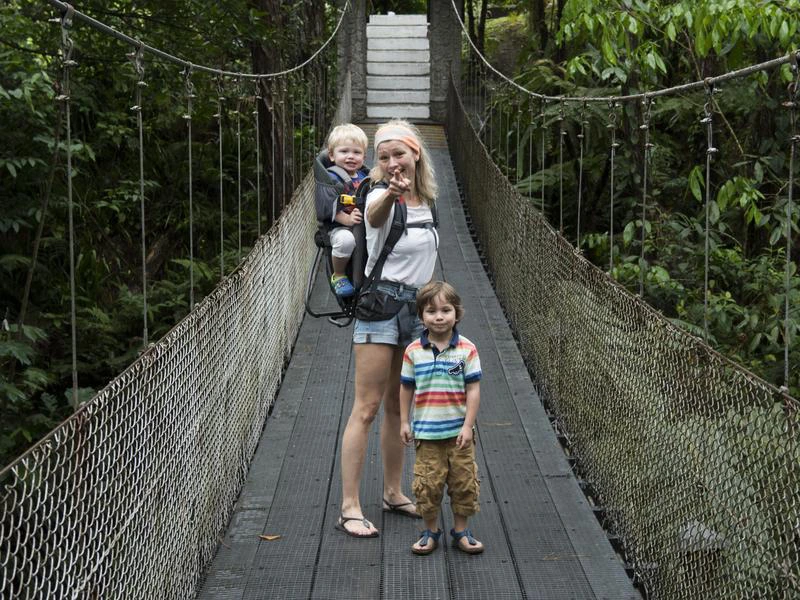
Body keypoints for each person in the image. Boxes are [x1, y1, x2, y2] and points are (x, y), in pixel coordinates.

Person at [335, 120, 439, 538]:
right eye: (384, 157)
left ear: (416, 153)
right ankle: (349, 507)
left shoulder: (430, 199)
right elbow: (375, 218)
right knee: (367, 407)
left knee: (400, 407)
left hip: (416, 310)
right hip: (381, 307)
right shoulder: (379, 194)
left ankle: (393, 492)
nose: (393, 162)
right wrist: (392, 192)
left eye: (400, 153)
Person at [399, 281, 484, 555]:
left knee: (464, 482)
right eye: (431, 311)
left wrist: (468, 425)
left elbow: (473, 389)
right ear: (421, 315)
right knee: (428, 484)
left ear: (456, 314)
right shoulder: (413, 351)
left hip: (459, 433)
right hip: (427, 433)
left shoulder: (467, 349)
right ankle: (430, 530)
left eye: (445, 310)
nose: (438, 317)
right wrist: (404, 421)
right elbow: (406, 387)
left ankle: (461, 530)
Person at [314, 123, 370, 297]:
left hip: (362, 225)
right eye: (344, 152)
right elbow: (325, 207)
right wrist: (346, 220)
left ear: (364, 156)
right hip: (338, 227)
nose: (350, 157)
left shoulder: (365, 176)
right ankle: (338, 275)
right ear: (331, 155)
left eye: (356, 152)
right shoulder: (330, 178)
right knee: (346, 240)